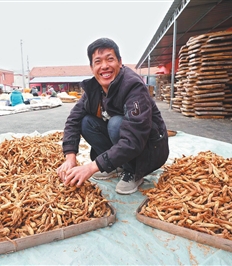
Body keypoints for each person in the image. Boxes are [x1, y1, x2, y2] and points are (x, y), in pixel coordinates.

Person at [57, 38, 169, 195]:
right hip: (125, 143)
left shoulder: (133, 86)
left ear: (120, 62)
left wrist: (91, 167)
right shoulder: (94, 88)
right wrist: (70, 157)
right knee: (86, 122)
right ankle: (114, 166)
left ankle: (133, 171)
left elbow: (134, 138)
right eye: (98, 61)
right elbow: (73, 120)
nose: (104, 66)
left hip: (150, 149)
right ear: (92, 67)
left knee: (116, 124)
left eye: (110, 59)